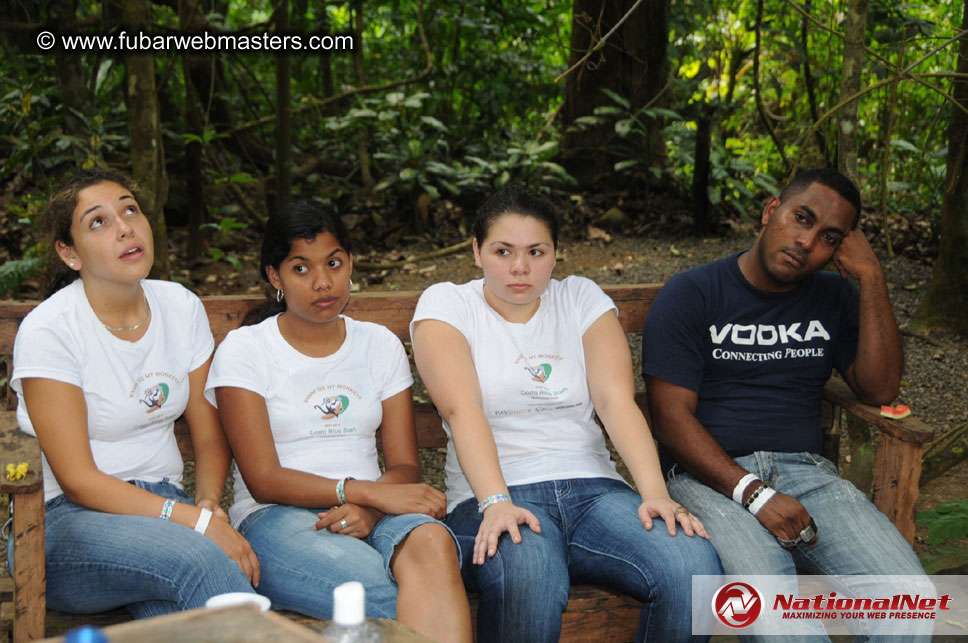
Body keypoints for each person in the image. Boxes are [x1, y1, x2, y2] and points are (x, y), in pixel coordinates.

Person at [410, 186, 723, 643]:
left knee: (691, 565)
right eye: (503, 251)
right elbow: (462, 410)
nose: (520, 267)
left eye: (536, 252)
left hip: (595, 493)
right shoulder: (448, 305)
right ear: (476, 251)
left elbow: (617, 402)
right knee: (529, 574)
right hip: (495, 494)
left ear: (556, 254)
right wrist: (496, 504)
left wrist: (654, 493)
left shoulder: (580, 299)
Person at [642, 168, 931, 640]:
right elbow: (670, 418)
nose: (806, 241)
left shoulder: (835, 296)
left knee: (909, 606)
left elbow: (879, 390)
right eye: (801, 218)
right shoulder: (693, 293)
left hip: (809, 476)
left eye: (828, 237)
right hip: (709, 480)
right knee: (781, 621)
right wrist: (755, 494)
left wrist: (872, 277)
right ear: (771, 210)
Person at [206, 200, 471, 643]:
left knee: (433, 545)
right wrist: (359, 492)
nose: (323, 282)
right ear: (275, 276)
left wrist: (369, 506)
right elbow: (263, 479)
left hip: (376, 510)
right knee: (395, 598)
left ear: (350, 262)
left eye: (333, 262)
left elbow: (405, 466)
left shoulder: (379, 345)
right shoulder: (246, 350)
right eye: (301, 268)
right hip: (277, 517)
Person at [10, 168, 259, 618]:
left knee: (188, 617)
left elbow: (208, 432)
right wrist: (196, 523)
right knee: (202, 560)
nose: (124, 227)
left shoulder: (179, 306)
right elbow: (79, 481)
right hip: (67, 524)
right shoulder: (51, 330)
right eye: (98, 222)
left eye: (130, 210)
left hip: (166, 509)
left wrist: (205, 503)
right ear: (69, 254)